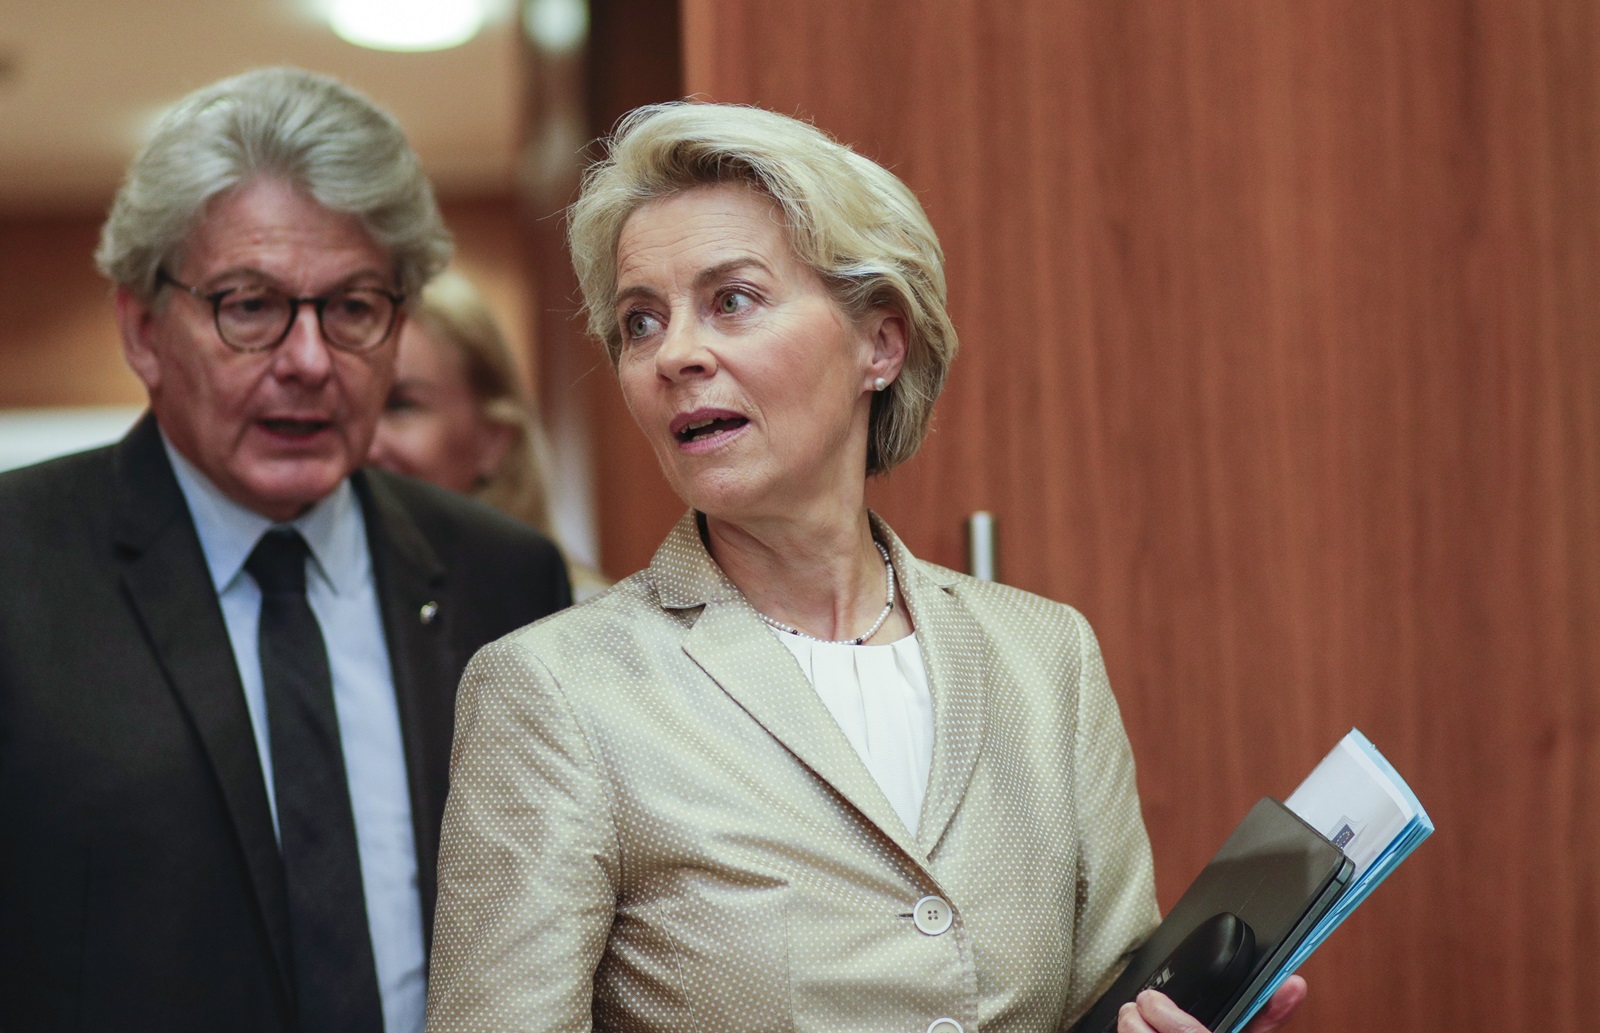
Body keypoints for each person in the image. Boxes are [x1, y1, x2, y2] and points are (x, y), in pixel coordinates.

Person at [423, 102, 1306, 1033]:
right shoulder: (554, 690)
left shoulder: (1048, 659)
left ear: (879, 343)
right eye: (641, 321)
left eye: (732, 299)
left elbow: (1105, 1002)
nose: (674, 354)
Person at [0, 67, 571, 1033]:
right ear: (143, 328)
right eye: (249, 305)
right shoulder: (19, 569)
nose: (308, 361)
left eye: (353, 307)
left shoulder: (502, 579)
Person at [368, 269, 610, 600]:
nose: (367, 444)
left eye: (400, 406)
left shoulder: (578, 619)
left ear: (493, 440)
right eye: (352, 408)